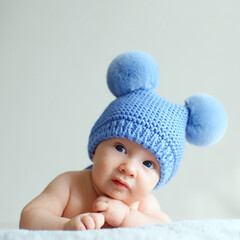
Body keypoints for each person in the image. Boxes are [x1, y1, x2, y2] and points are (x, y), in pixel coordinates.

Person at [19, 51, 227, 230]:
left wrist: (128, 217)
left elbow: (167, 230)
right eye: (120, 148)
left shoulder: (144, 204)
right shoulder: (70, 184)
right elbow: (29, 216)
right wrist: (65, 226)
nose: (128, 168)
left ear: (158, 180)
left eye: (148, 163)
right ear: (95, 149)